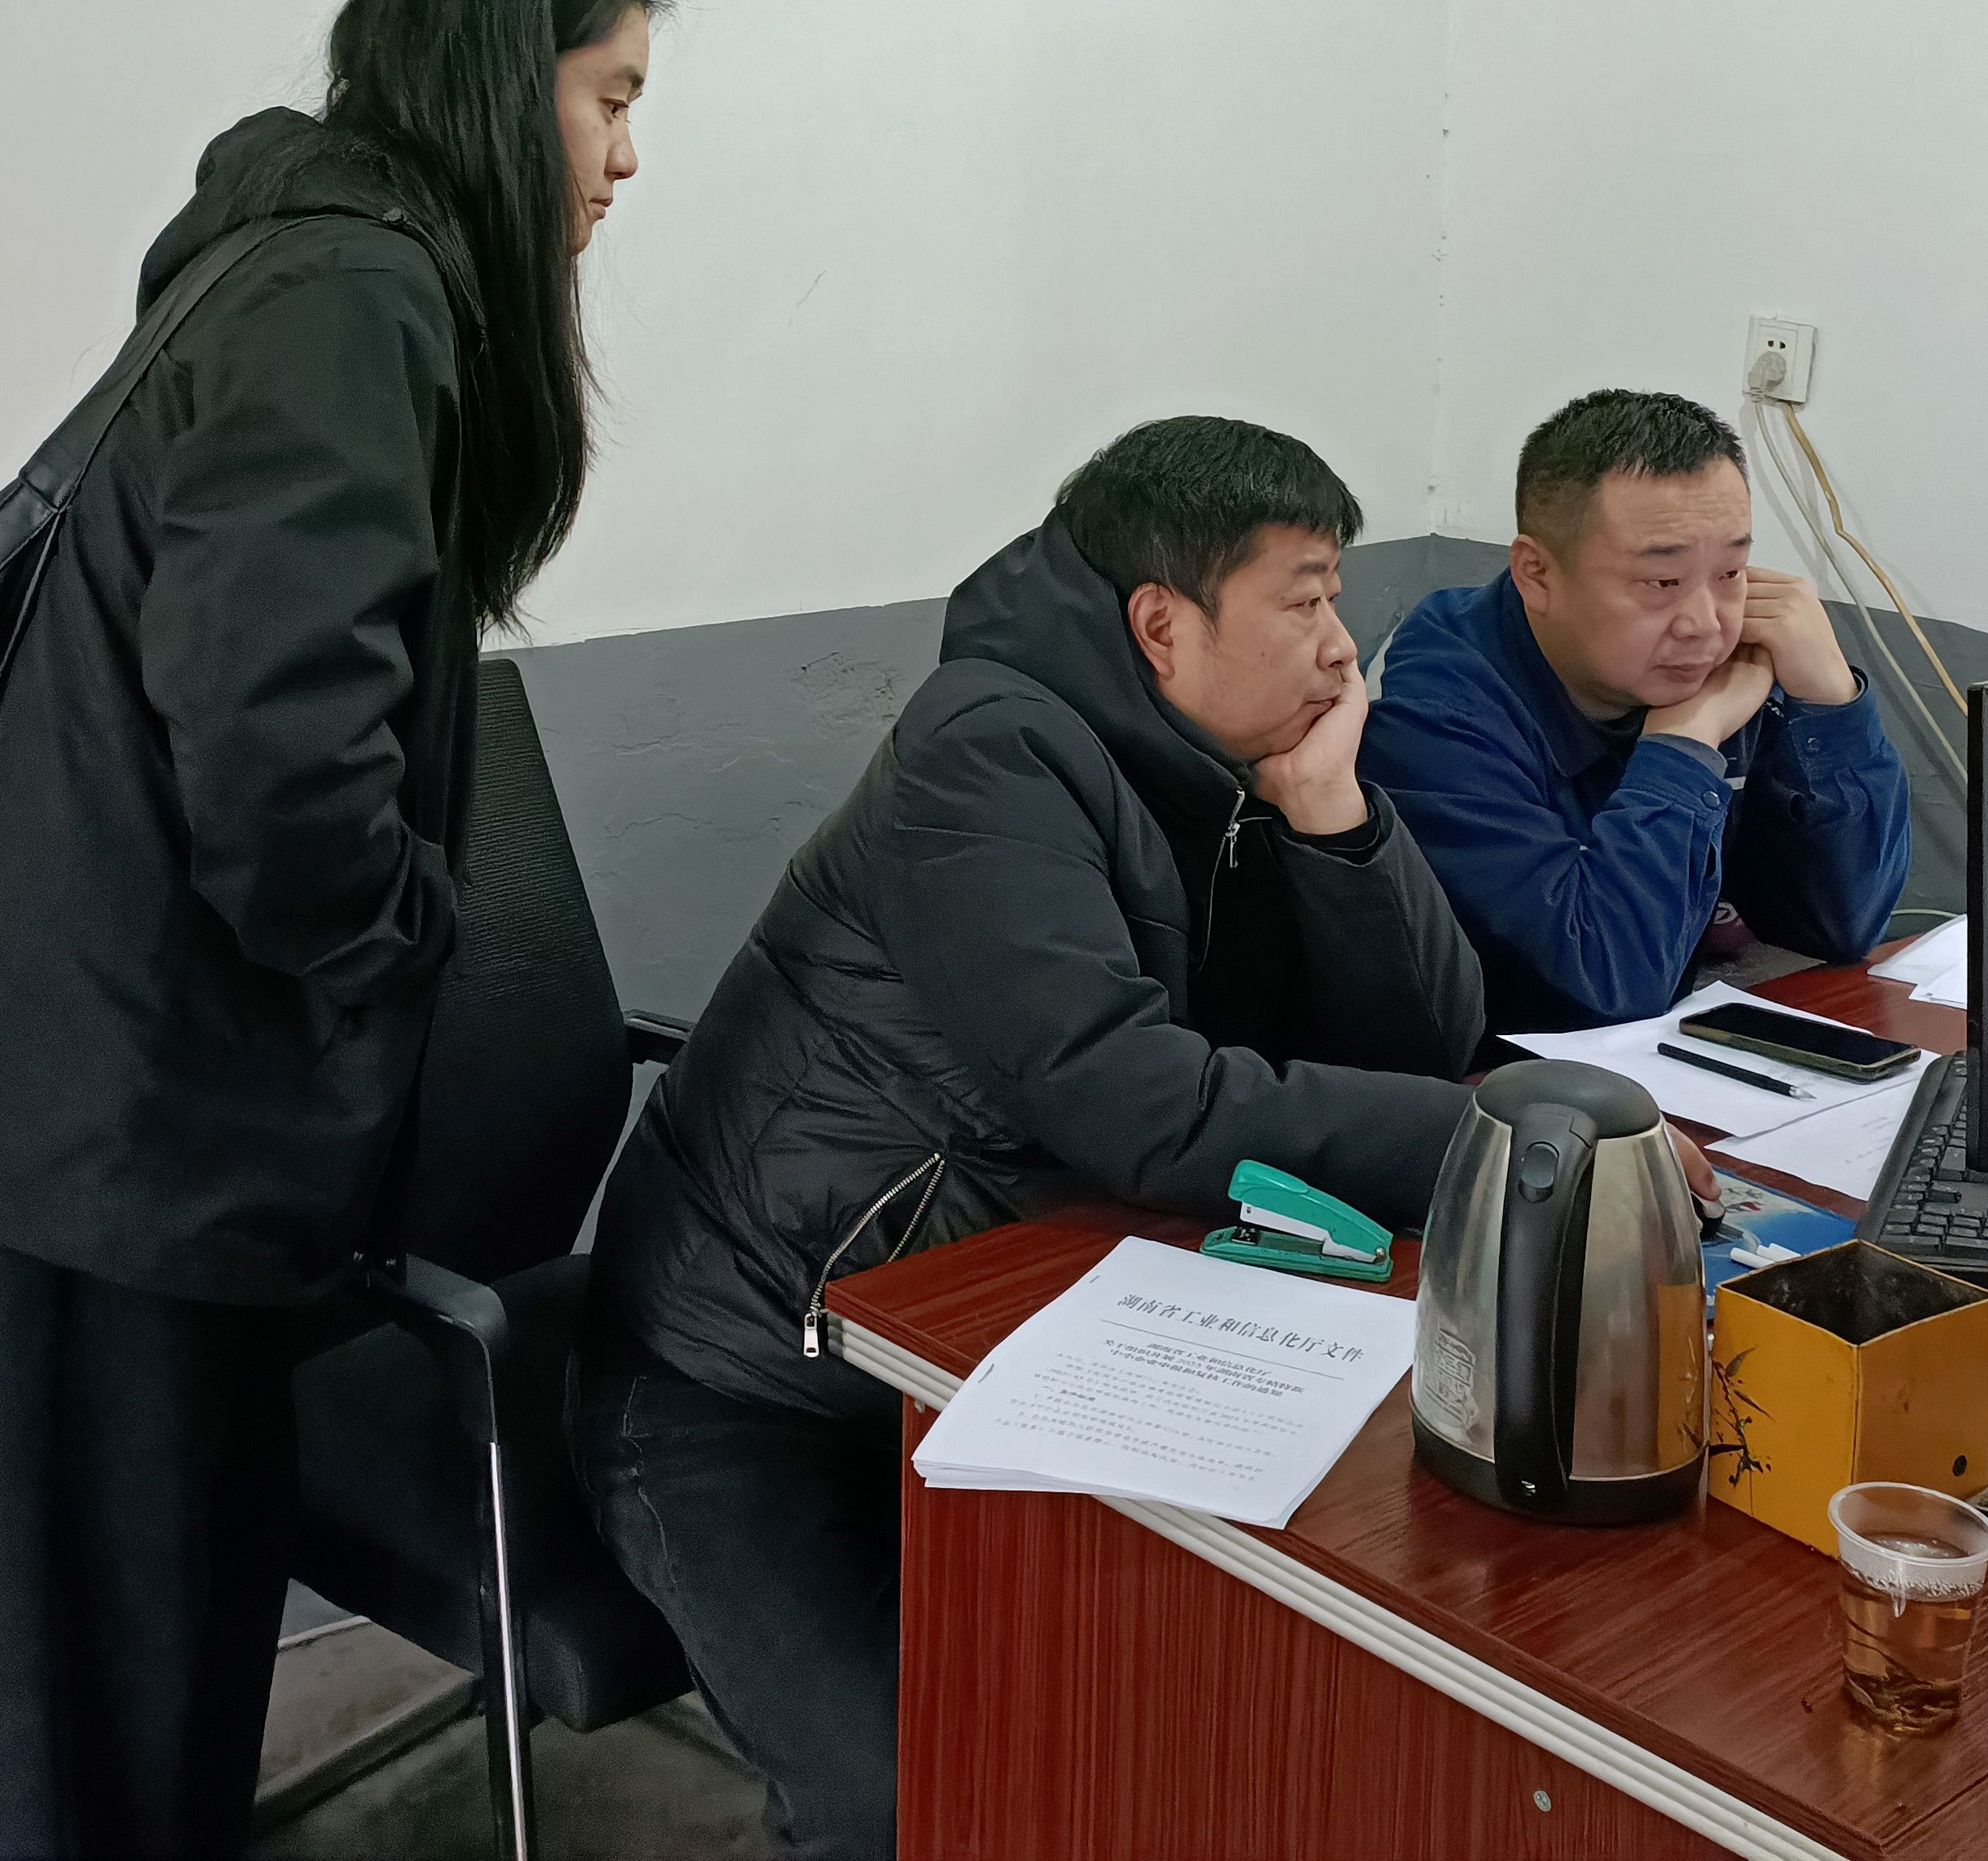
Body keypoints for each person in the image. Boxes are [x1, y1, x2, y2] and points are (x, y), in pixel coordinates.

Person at [0, 0, 661, 1861]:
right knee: (92, 1698)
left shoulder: (320, 268)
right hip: (102, 1113)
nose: (626, 156)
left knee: (139, 1653)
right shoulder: (347, 298)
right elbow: (278, 750)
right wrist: (411, 936)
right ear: (501, 77)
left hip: (114, 1096)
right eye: (609, 95)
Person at [576, 417, 1494, 1861]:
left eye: (1340, 596)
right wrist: (1486, 1140)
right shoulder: (988, 751)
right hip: (741, 1378)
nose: (1340, 647)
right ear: (1161, 624)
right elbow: (1133, 1099)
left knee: (1181, 1701)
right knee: (902, 1797)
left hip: (991, 1347)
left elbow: (1420, 1050)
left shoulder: (1226, 768)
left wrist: (1331, 814)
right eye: (1305, 599)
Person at [1360, 387, 1912, 1034]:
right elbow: (1597, 987)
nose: (1706, 624)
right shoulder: (1433, 704)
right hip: (1511, 1073)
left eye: (1731, 572)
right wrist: (1685, 746)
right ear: (1536, 574)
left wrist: (1831, 700)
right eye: (1661, 583)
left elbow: (1838, 927)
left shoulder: (1741, 656)